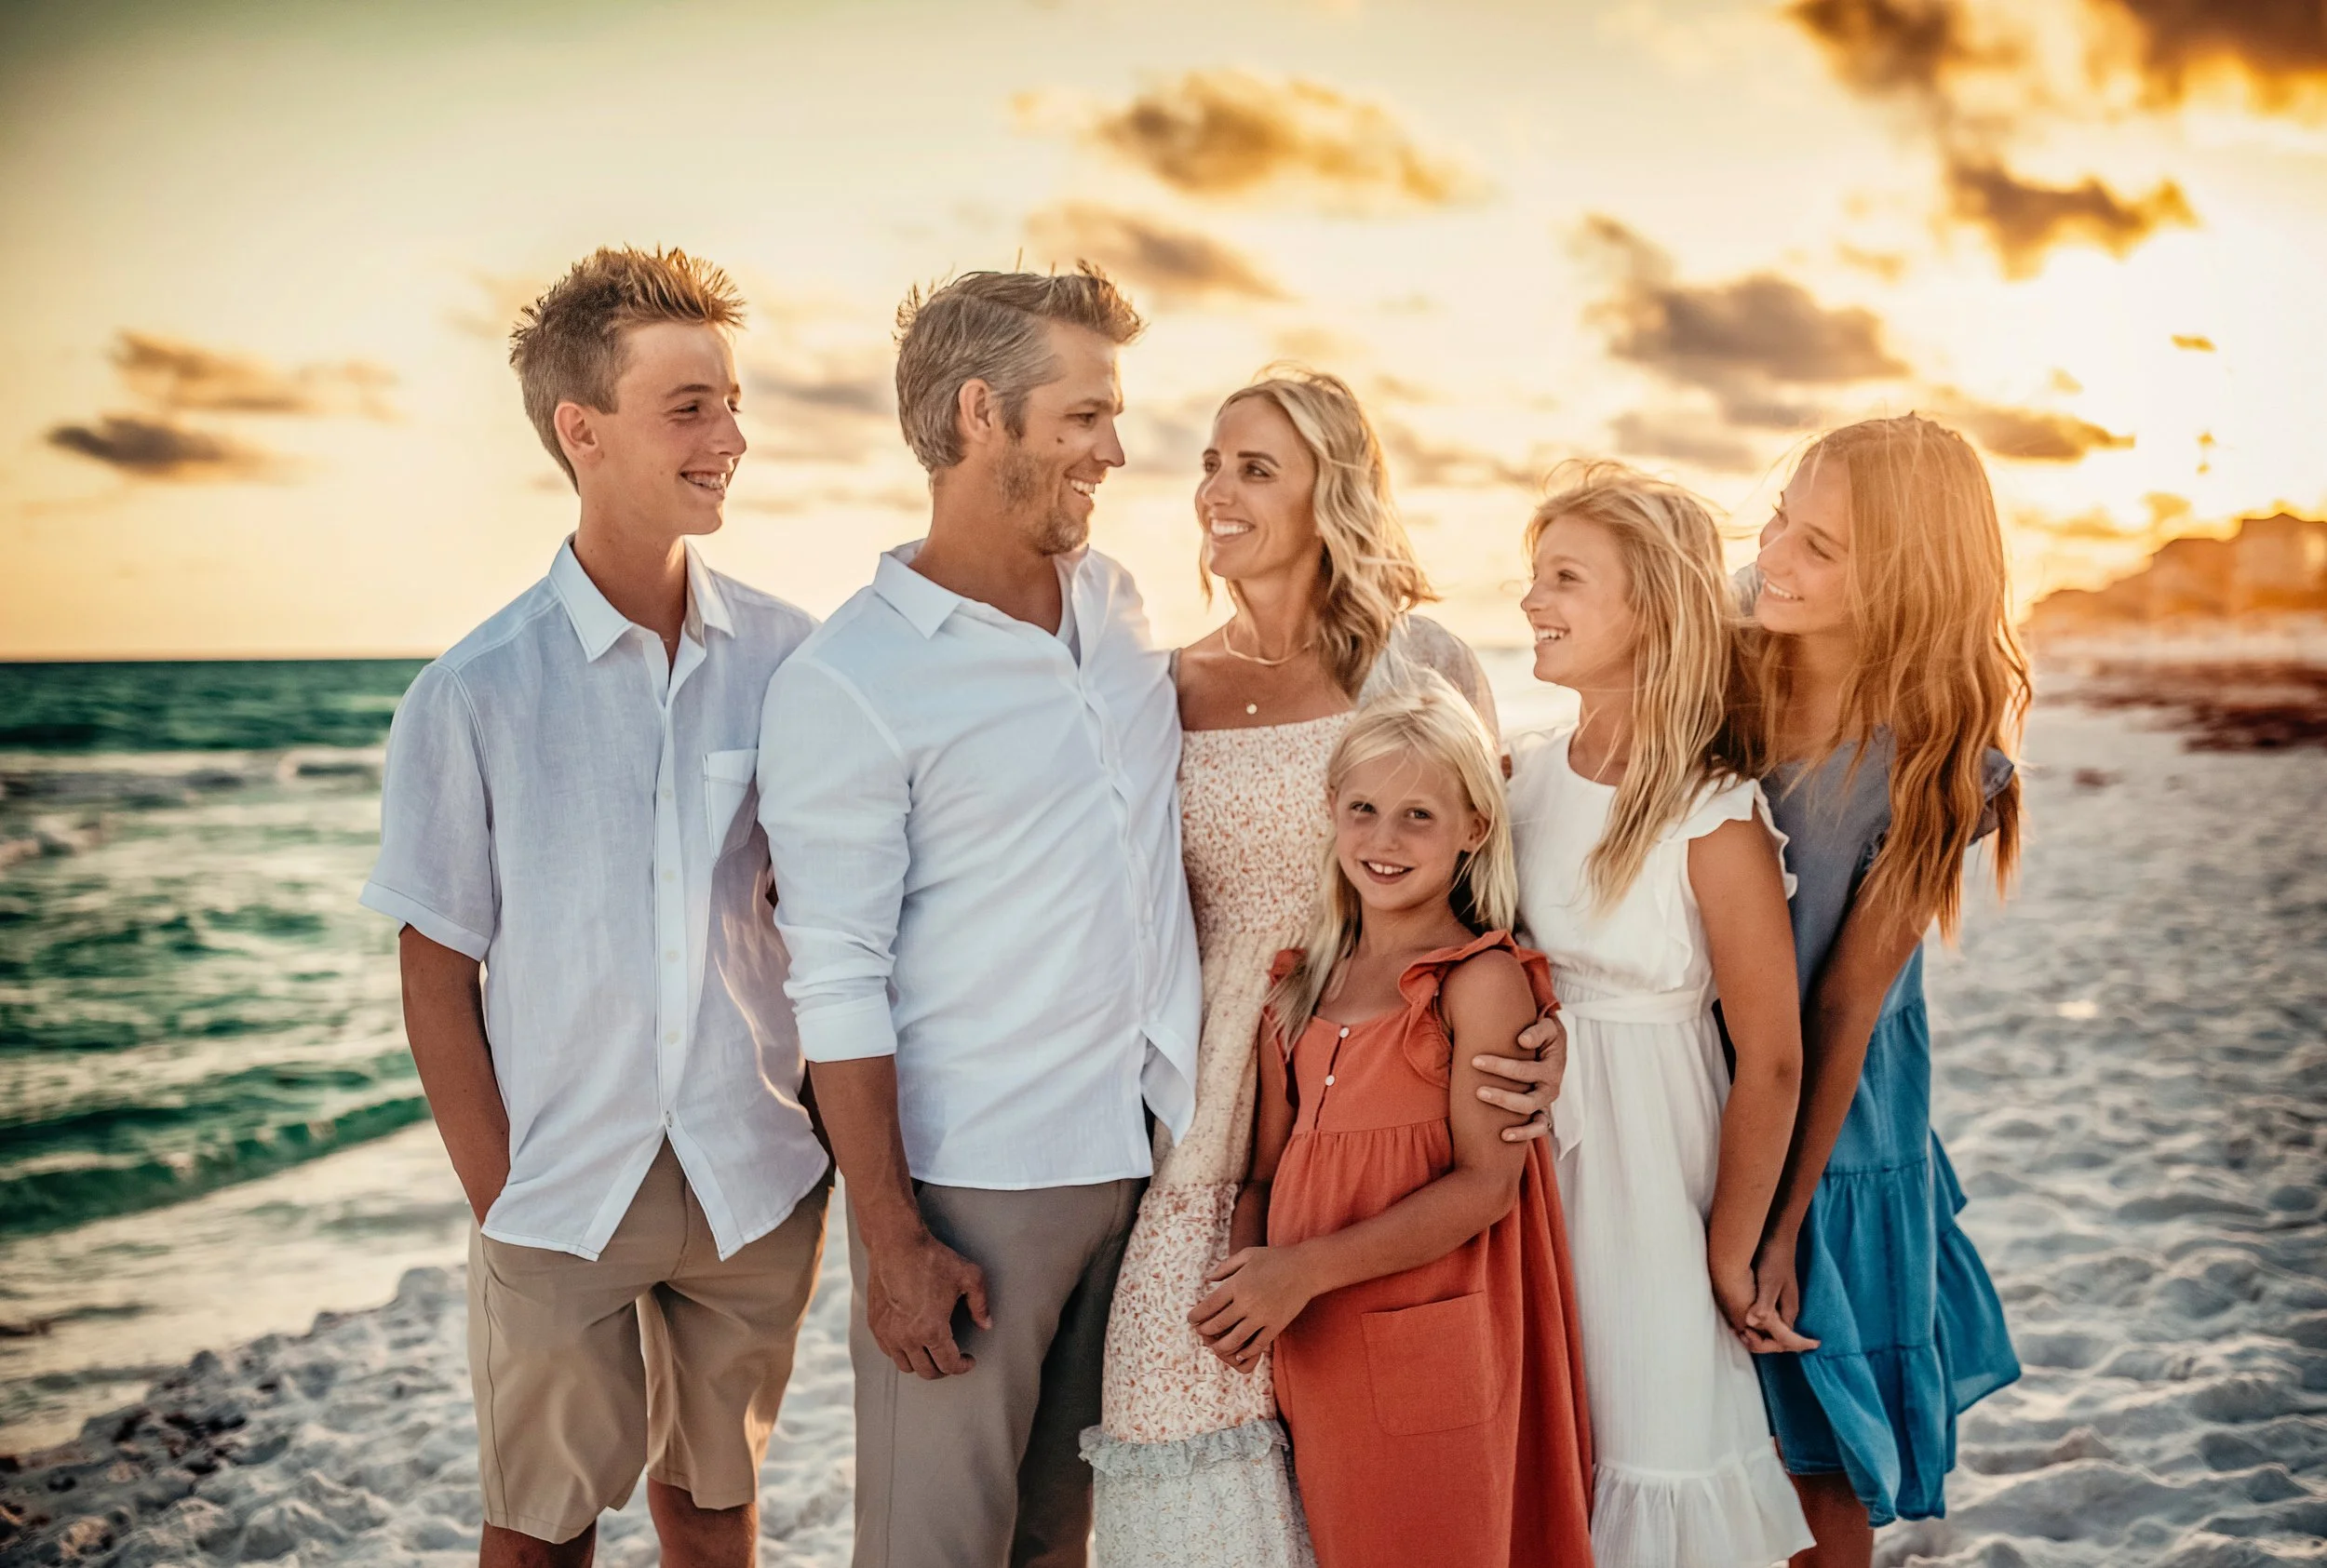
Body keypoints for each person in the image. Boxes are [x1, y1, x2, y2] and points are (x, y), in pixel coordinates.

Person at [361, 247, 831, 1568]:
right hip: (562, 1182)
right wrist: (501, 1192)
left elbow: (829, 915)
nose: (730, 437)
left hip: (756, 1174)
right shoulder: (473, 694)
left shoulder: (794, 663)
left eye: (732, 402)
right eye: (690, 406)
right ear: (584, 429)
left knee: (719, 1509)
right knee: (540, 1528)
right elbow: (436, 969)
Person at [1081, 367, 1566, 1567]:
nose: (1216, 492)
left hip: (1376, 1087)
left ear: (1328, 493)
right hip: (1203, 1101)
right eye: (1210, 462)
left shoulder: (1419, 660)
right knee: (1174, 1385)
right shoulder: (1163, 680)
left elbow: (1492, 874)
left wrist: (1535, 1025)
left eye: (1255, 468)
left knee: (1367, 1430)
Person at [755, 266, 1195, 1568]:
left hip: (1139, 1160)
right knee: (935, 1550)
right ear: (977, 415)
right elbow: (833, 977)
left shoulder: (1116, 605)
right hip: (975, 1194)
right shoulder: (853, 678)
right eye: (1083, 418)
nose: (1115, 452)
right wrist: (893, 1240)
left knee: (1062, 1542)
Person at [1189, 677, 1595, 1568]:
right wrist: (1251, 1288)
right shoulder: (1299, 988)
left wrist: (1302, 1269)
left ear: (1473, 829)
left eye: (1419, 815)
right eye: (1364, 808)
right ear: (1331, 811)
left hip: (1428, 1346)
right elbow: (1267, 1171)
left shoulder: (1474, 981)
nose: (1383, 838)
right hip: (1315, 1342)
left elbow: (1487, 1187)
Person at [1507, 462, 1815, 1568]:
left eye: (1563, 578)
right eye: (1533, 576)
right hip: (1528, 1162)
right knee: (1553, 1450)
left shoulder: (1711, 813)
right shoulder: (1522, 778)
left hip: (1652, 1173)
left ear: (1650, 608)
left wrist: (1729, 1248)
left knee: (1656, 1438)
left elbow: (1774, 1057)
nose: (1530, 602)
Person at [1737, 417, 2025, 1568]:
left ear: (1905, 585)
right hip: (1704, 1066)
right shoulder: (1722, 662)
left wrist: (1783, 1216)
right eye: (1778, 522)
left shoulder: (1932, 765)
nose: (1774, 557)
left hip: (1831, 1123)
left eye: (1820, 547)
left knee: (1813, 1450)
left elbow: (1842, 1009)